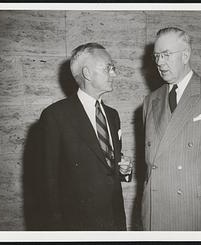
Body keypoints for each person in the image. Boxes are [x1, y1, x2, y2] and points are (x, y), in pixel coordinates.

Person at [141, 27, 201, 231]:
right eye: (157, 56)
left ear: (185, 55)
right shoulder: (150, 101)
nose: (159, 62)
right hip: (156, 207)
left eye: (166, 55)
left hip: (194, 208)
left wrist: (197, 185)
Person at [39, 42, 132, 231]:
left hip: (114, 222)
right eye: (109, 67)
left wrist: (124, 170)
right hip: (76, 226)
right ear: (87, 73)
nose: (114, 73)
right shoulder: (55, 116)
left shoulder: (112, 115)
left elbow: (106, 166)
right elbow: (48, 182)